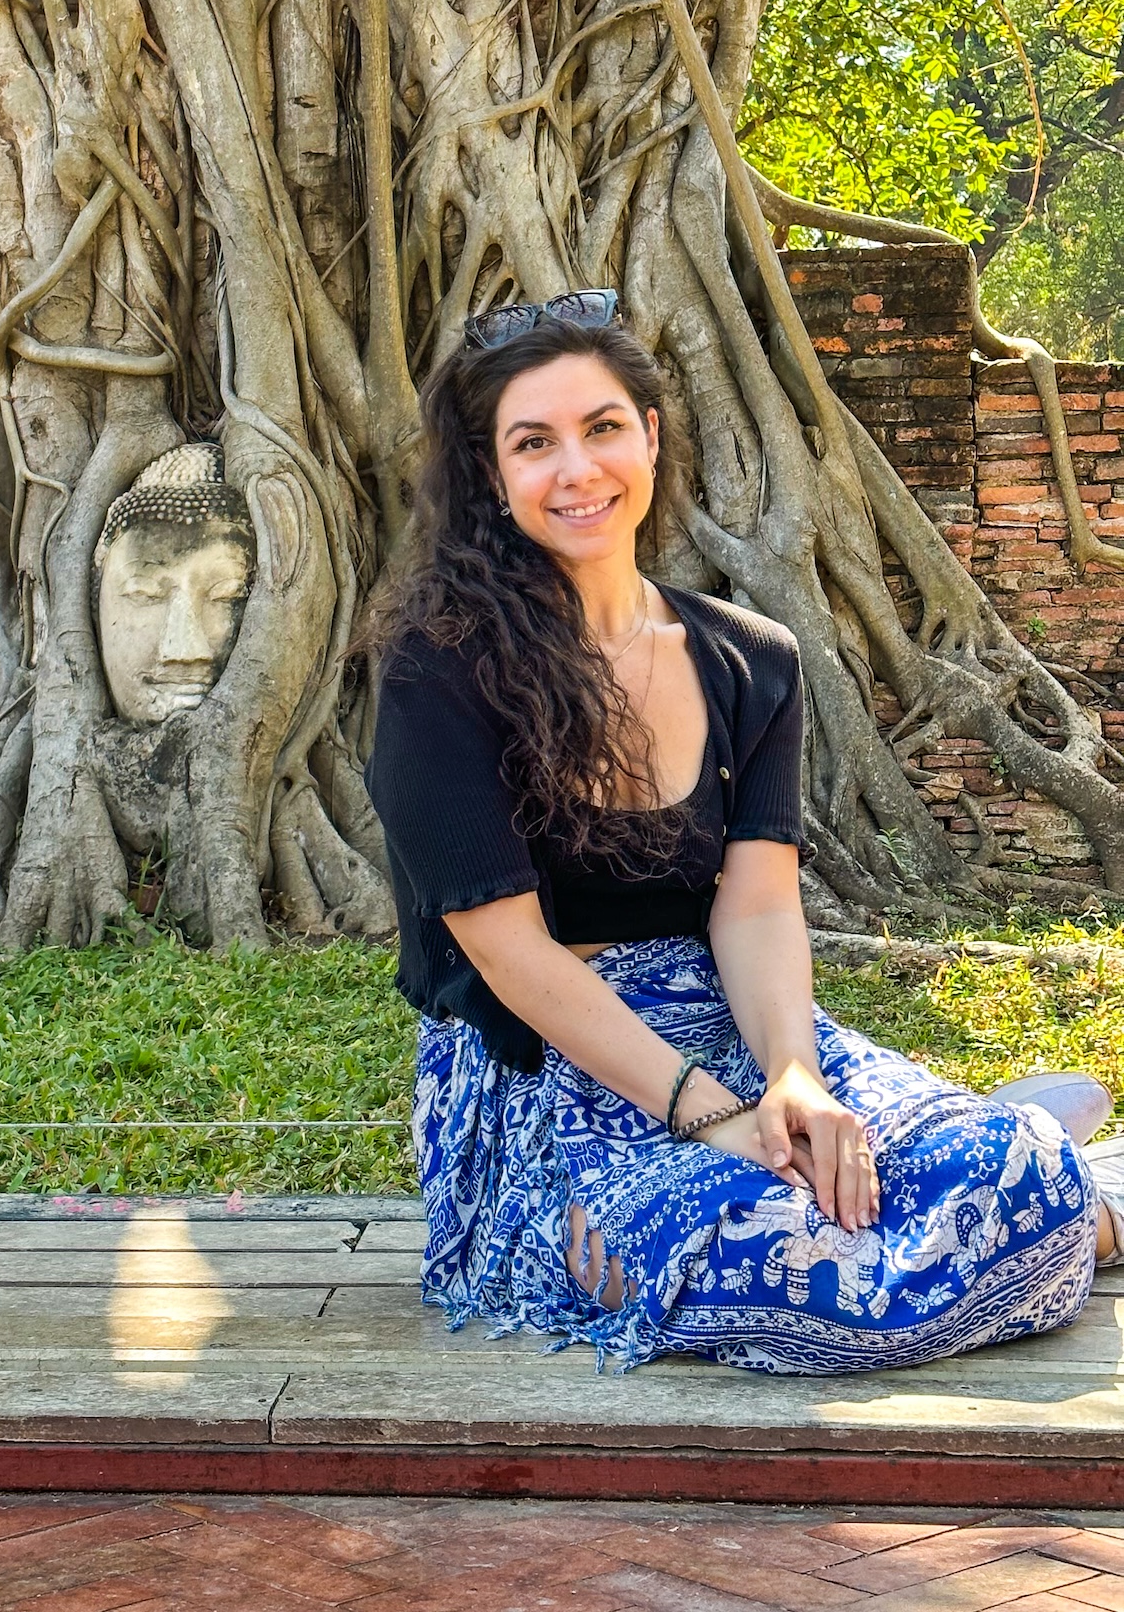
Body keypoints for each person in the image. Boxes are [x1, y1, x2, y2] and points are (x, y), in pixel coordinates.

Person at [365, 291, 1122, 1375]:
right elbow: (510, 954)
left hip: (735, 1022)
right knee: (814, 1276)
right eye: (533, 444)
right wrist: (709, 1115)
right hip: (550, 1074)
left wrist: (791, 1079)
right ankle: (1082, 1207)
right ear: (492, 474)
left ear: (652, 435)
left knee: (992, 1168)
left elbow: (756, 902)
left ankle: (1027, 1163)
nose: (576, 469)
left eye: (602, 427)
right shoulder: (437, 671)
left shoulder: (750, 657)